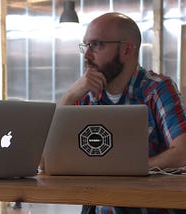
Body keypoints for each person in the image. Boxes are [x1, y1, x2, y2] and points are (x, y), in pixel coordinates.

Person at [58, 12, 186, 213]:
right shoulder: (83, 94)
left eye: (97, 45)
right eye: (85, 45)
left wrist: (129, 171)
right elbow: (48, 159)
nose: (87, 56)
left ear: (127, 50)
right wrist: (67, 97)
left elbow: (182, 153)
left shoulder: (157, 89)